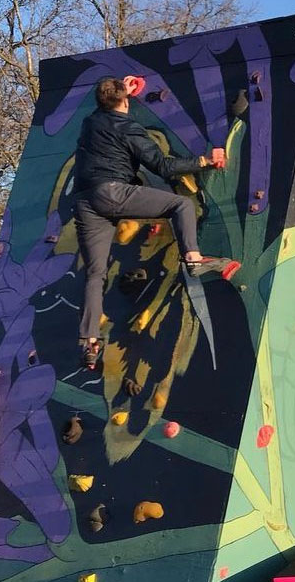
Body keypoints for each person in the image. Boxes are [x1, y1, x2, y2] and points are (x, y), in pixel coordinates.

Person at [73, 76, 240, 368]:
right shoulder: (127, 127)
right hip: (113, 192)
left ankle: (89, 341)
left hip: (86, 201)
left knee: (95, 273)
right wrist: (204, 161)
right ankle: (194, 259)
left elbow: (107, 108)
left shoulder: (90, 123)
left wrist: (124, 93)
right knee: (181, 205)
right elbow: (163, 166)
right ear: (124, 100)